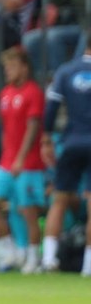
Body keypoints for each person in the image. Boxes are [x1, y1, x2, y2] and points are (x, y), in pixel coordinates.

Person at [0, 46, 48, 273]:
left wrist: (20, 158)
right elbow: (6, 128)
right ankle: (9, 248)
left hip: (28, 163)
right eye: (6, 67)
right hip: (6, 162)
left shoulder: (34, 93)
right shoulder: (5, 93)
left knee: (28, 212)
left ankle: (32, 257)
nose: (8, 71)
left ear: (24, 67)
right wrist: (7, 155)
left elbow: (32, 128)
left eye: (12, 66)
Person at [42, 39, 91, 277]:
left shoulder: (66, 70)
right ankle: (88, 266)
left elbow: (51, 107)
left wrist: (46, 138)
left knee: (59, 200)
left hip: (71, 142)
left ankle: (48, 259)